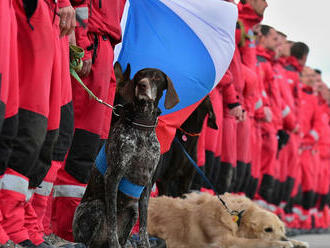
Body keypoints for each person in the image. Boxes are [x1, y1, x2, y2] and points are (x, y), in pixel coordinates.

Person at [0, 0, 76, 247]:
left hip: (52, 17)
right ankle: (15, 226)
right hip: (36, 12)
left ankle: (29, 225)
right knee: (23, 126)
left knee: (49, 136)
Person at [52, 0, 127, 241]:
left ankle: (76, 227)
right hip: (93, 47)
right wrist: (82, 44)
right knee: (79, 144)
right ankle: (61, 228)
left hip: (106, 50)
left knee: (94, 146)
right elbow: (80, 5)